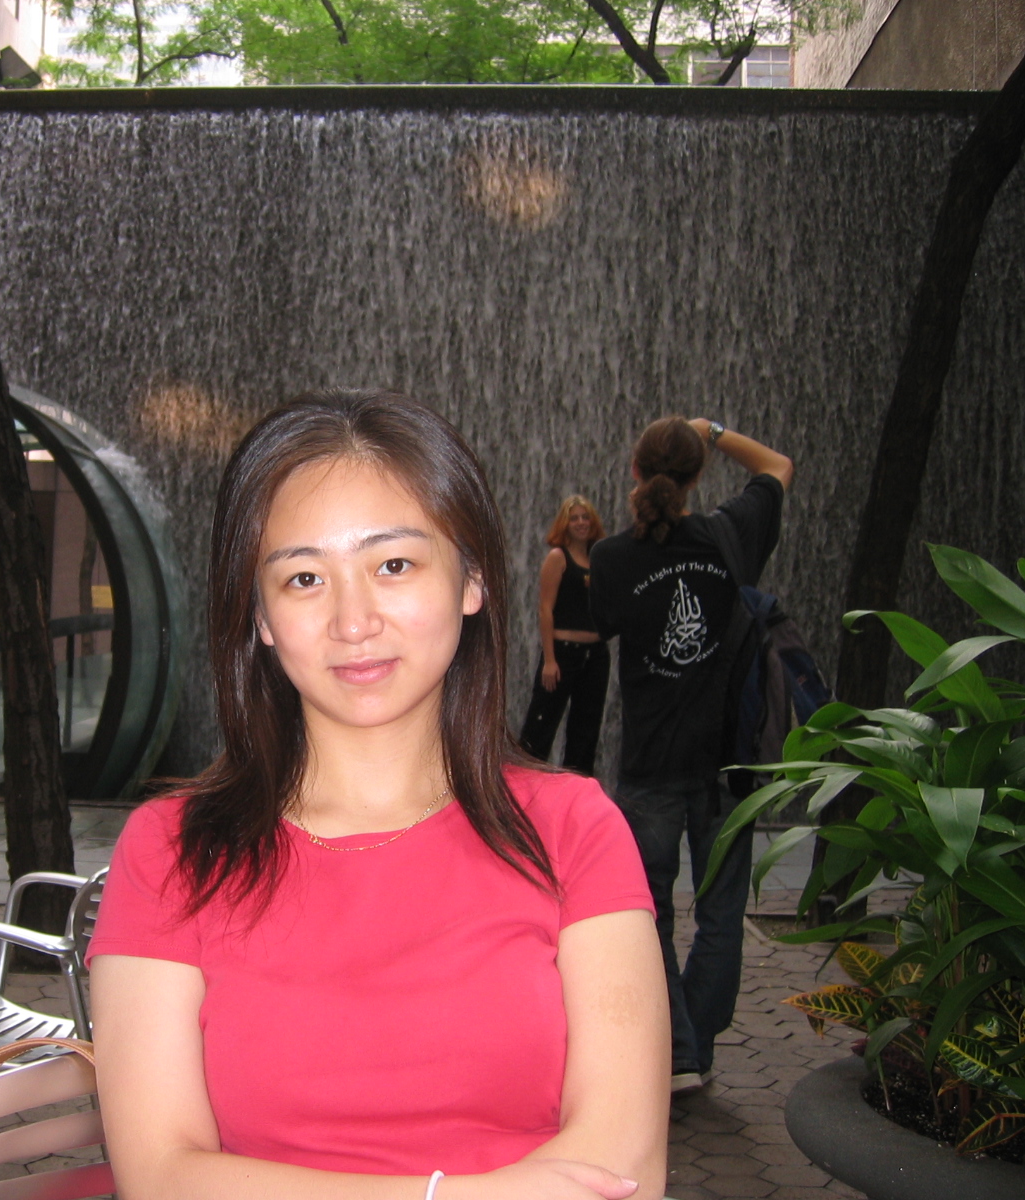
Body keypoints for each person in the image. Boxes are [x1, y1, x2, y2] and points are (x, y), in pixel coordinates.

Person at [88, 389, 670, 1200]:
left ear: (471, 579)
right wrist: (450, 1196)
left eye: (393, 565)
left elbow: (624, 1163)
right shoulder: (173, 850)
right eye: (303, 578)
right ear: (260, 618)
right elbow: (160, 1174)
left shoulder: (573, 830)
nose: (353, 620)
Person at [587, 416, 794, 1097]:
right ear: (698, 476)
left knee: (648, 915)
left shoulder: (613, 558)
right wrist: (716, 430)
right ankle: (695, 1048)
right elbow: (778, 468)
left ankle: (677, 1053)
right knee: (722, 916)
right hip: (727, 764)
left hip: (649, 765)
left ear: (635, 472)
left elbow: (604, 624)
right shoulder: (728, 536)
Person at [518, 495, 608, 775]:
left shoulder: (598, 558)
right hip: (562, 652)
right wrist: (549, 660)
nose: (581, 523)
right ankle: (523, 783)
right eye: (574, 518)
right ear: (565, 524)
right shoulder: (558, 557)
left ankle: (577, 788)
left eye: (585, 517)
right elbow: (545, 609)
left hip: (596, 655)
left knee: (586, 730)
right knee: (541, 724)